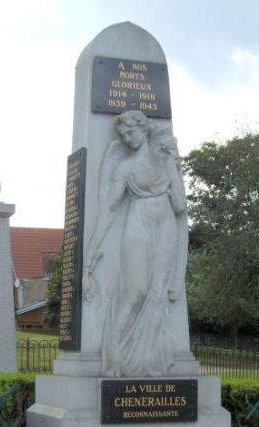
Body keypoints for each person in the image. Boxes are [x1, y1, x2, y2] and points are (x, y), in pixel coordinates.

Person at [84, 110, 188, 377]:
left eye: (131, 132)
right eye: (123, 135)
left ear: (144, 129)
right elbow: (109, 208)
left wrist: (174, 167)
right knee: (135, 293)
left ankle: (151, 364)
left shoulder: (164, 162)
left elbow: (179, 205)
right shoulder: (124, 168)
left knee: (157, 296)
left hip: (165, 227)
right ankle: (116, 360)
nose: (128, 138)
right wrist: (93, 247)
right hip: (138, 225)